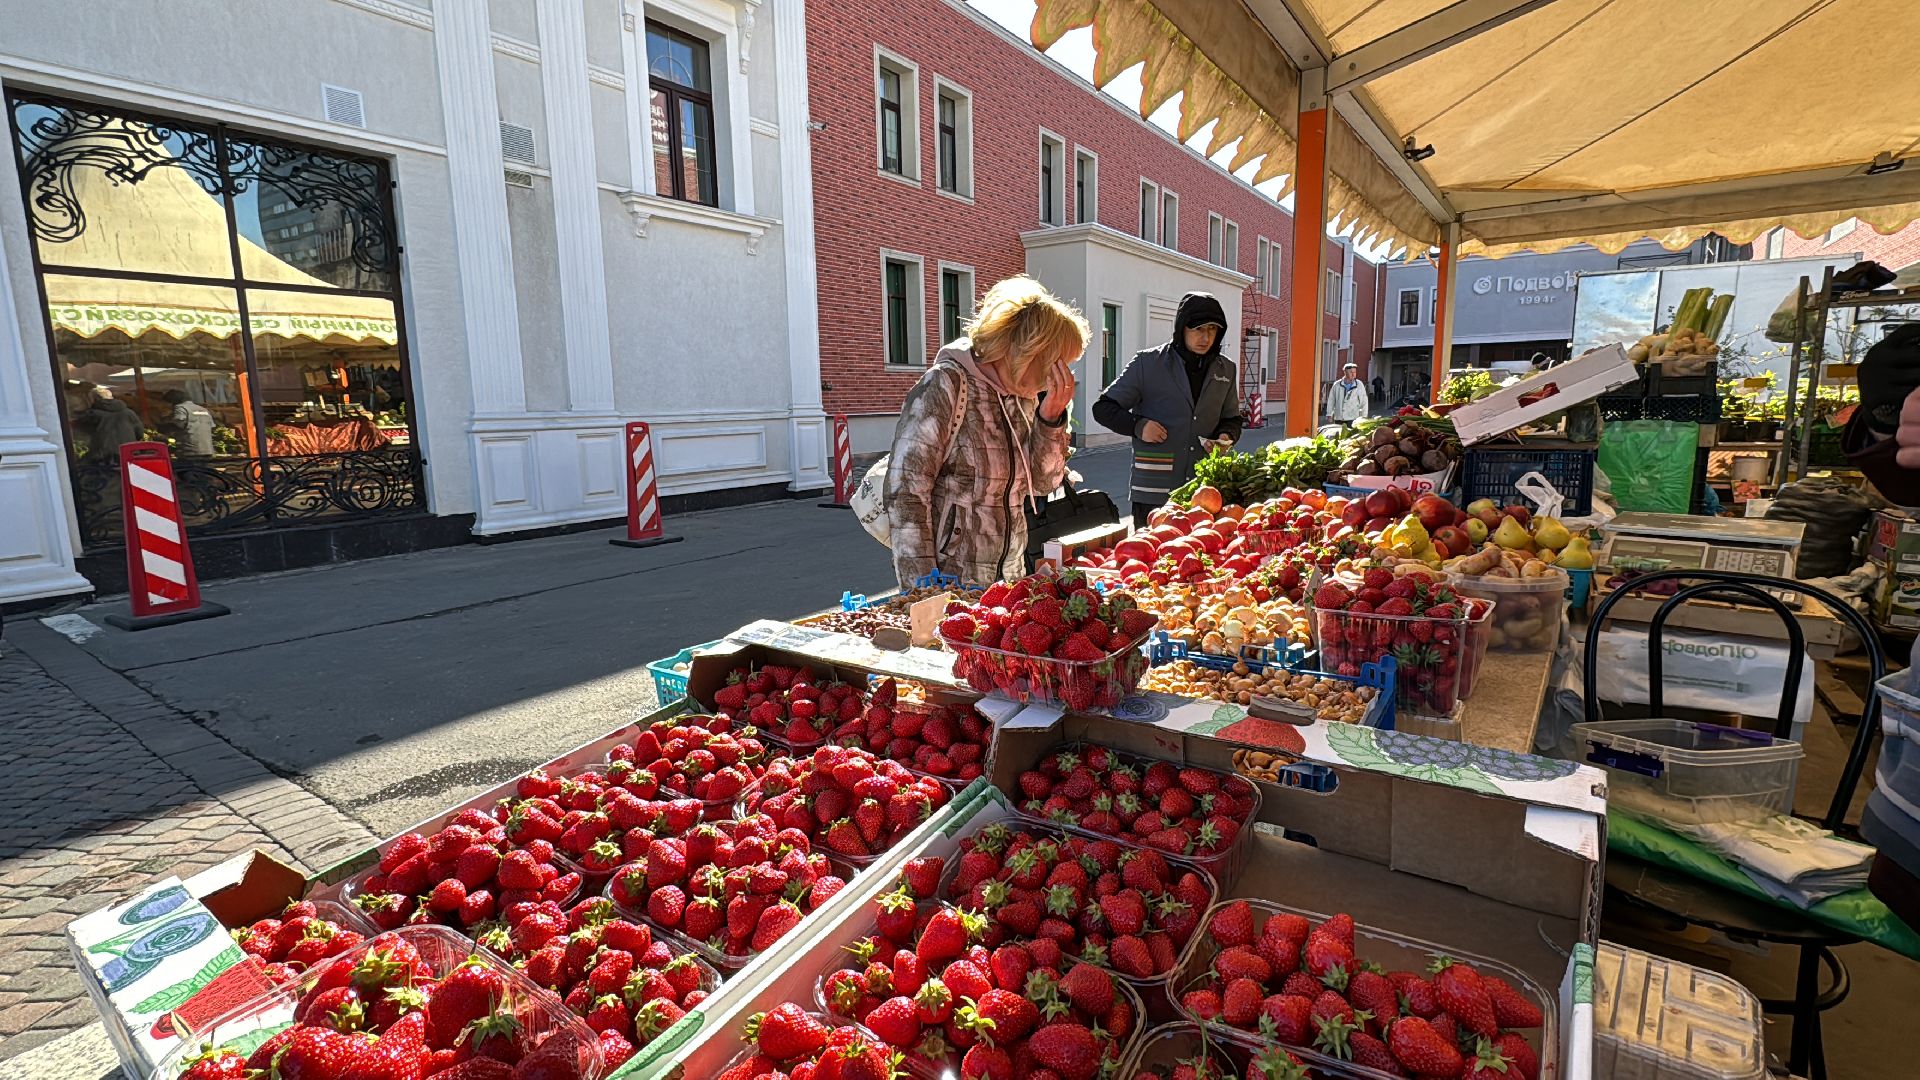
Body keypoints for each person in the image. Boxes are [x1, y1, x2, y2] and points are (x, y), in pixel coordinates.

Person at [885, 275, 1085, 587]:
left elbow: (1043, 484)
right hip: (950, 580)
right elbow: (905, 492)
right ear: (1030, 352)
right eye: (1057, 365)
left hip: (1008, 580)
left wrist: (1051, 419)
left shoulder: (1024, 398)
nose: (1057, 379)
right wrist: (922, 589)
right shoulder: (947, 384)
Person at [1092, 292, 1245, 525]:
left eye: (1212, 329)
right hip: (1153, 491)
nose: (1206, 337)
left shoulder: (1226, 370)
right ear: (1182, 328)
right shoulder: (1147, 363)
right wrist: (1138, 426)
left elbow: (1232, 418)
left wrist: (1226, 436)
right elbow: (1103, 409)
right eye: (1198, 329)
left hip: (1204, 492)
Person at [76, 386, 144, 462]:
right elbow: (140, 434)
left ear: (94, 400)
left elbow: (79, 437)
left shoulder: (91, 415)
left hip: (102, 459)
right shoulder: (129, 413)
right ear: (111, 397)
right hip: (129, 456)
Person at [162, 389, 216, 456]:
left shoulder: (180, 408)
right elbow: (212, 427)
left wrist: (165, 425)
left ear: (172, 401)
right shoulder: (203, 409)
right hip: (208, 450)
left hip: (189, 451)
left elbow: (178, 424)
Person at [1324, 362, 1369, 430]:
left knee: (1350, 438)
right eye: (1351, 372)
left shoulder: (1359, 384)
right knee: (1338, 436)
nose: (1353, 374)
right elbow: (1331, 400)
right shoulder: (1337, 384)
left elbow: (1364, 401)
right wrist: (1329, 414)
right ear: (1345, 372)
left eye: (1355, 372)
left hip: (1353, 418)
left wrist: (1364, 416)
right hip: (1339, 417)